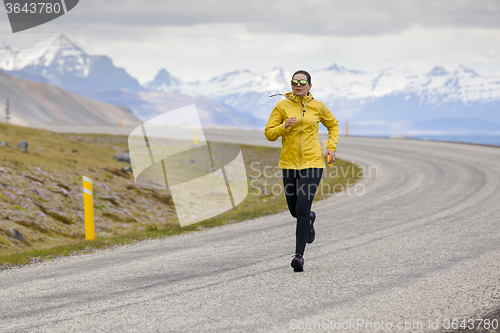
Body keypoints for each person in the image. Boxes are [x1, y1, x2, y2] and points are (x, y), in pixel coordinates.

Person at [265, 70, 339, 272]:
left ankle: (299, 256)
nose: (298, 85)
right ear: (291, 85)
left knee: (303, 206)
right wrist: (284, 126)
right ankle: (310, 219)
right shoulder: (281, 106)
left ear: (309, 85)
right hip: (289, 164)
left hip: (313, 163)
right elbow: (269, 134)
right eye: (294, 82)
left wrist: (331, 147)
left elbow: (333, 125)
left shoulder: (318, 106)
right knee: (294, 209)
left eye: (302, 82)